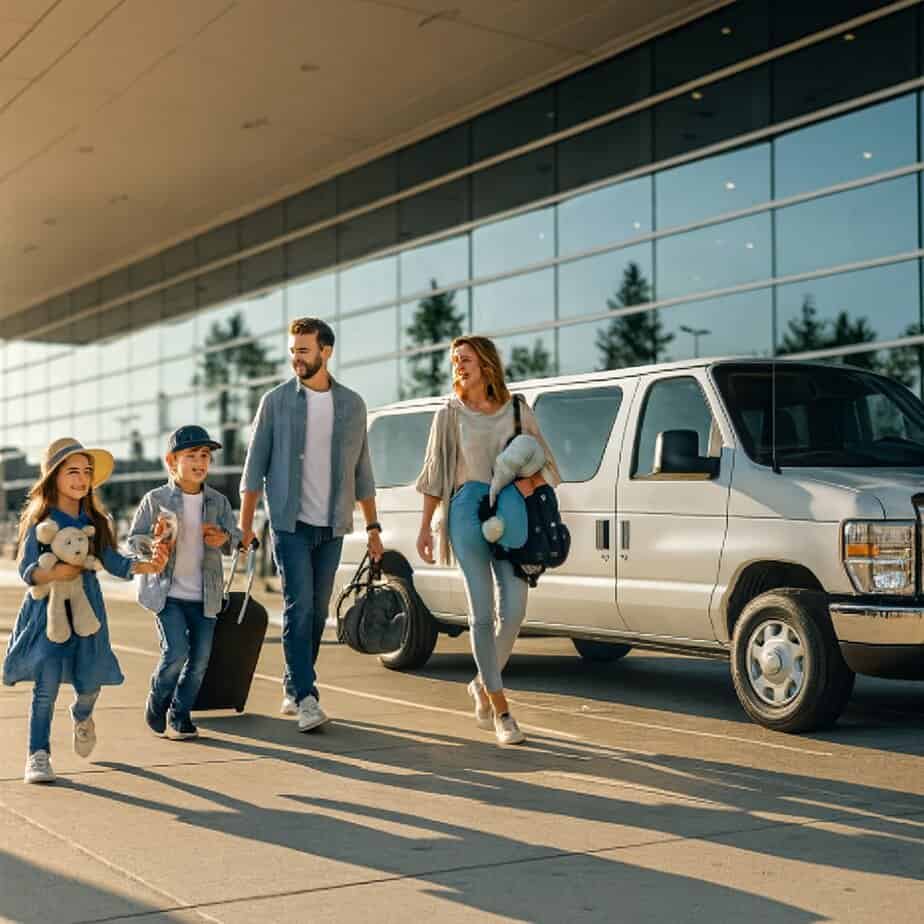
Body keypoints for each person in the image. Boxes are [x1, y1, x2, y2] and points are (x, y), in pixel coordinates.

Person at [239, 317, 383, 733]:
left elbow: (363, 471)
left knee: (319, 612)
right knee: (298, 607)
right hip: (289, 523)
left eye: (303, 351)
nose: (295, 359)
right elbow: (254, 469)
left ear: (326, 351)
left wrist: (373, 528)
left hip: (332, 523)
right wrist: (246, 527)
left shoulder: (352, 405)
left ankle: (292, 682)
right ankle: (306, 696)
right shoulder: (276, 402)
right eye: (292, 352)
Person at [416, 336, 560, 747]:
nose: (459, 365)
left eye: (466, 359)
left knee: (513, 611)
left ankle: (481, 683)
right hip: (465, 508)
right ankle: (501, 709)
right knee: (480, 614)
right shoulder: (449, 413)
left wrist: (529, 483)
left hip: (511, 511)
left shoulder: (517, 409)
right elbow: (435, 472)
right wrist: (426, 527)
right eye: (454, 360)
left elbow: (546, 463)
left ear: (486, 364)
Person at [2, 438, 167, 784]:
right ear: (54, 477)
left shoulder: (97, 520)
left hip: (88, 613)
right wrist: (52, 573)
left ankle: (82, 714)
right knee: (45, 685)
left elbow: (116, 562)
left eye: (86, 472)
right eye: (72, 471)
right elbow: (26, 568)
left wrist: (149, 566)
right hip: (45, 615)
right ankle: (38, 754)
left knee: (90, 682)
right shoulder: (41, 521)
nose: (81, 479)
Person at [128, 425, 241, 740]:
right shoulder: (156, 499)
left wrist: (224, 538)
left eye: (204, 455)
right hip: (167, 595)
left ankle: (180, 715)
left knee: (200, 660)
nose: (199, 461)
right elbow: (133, 539)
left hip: (206, 596)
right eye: (191, 455)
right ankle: (158, 699)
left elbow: (235, 539)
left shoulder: (217, 501)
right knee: (176, 652)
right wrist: (153, 544)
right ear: (171, 461)